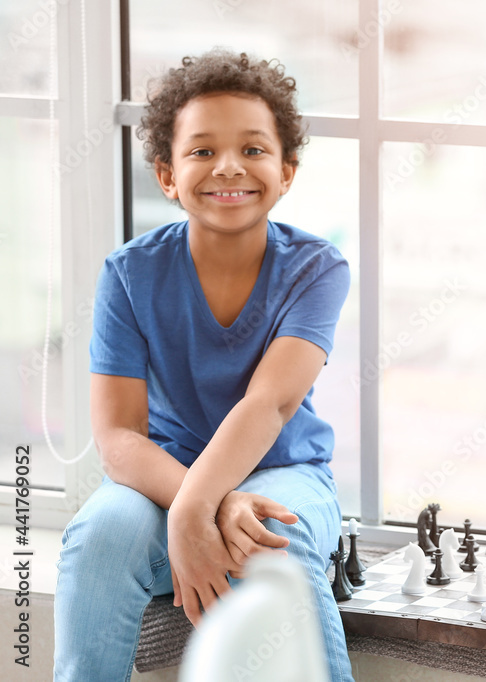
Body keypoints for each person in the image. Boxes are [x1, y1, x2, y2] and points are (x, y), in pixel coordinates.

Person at [54, 49, 355, 681]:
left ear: (286, 170)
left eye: (252, 149)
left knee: (274, 543)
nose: (228, 168)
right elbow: (118, 439)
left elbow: (267, 405)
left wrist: (198, 509)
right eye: (200, 151)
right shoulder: (128, 274)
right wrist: (199, 502)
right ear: (166, 174)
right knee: (98, 541)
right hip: (163, 475)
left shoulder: (317, 269)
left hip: (283, 469)